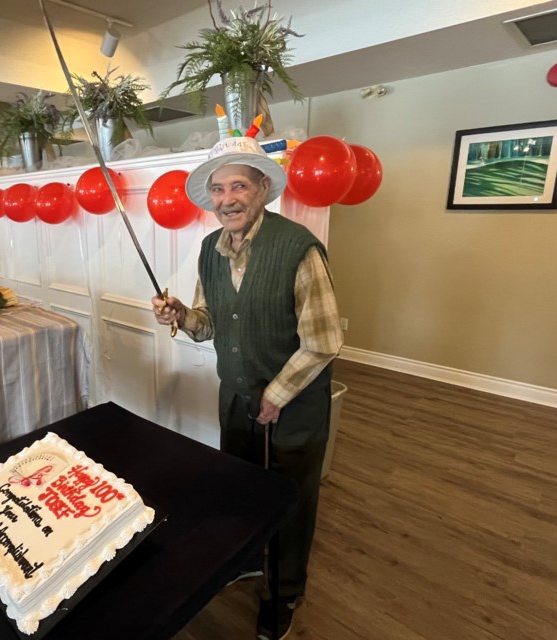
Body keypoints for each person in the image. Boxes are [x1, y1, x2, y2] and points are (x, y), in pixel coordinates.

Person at [151, 136, 344, 640]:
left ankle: (284, 591)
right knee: (239, 483)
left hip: (294, 401)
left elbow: (324, 341)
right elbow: (210, 321)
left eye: (239, 185)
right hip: (235, 393)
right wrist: (182, 316)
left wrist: (277, 394)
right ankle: (244, 560)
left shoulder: (297, 247)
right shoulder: (209, 251)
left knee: (290, 496)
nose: (227, 198)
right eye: (218, 189)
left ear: (263, 189)